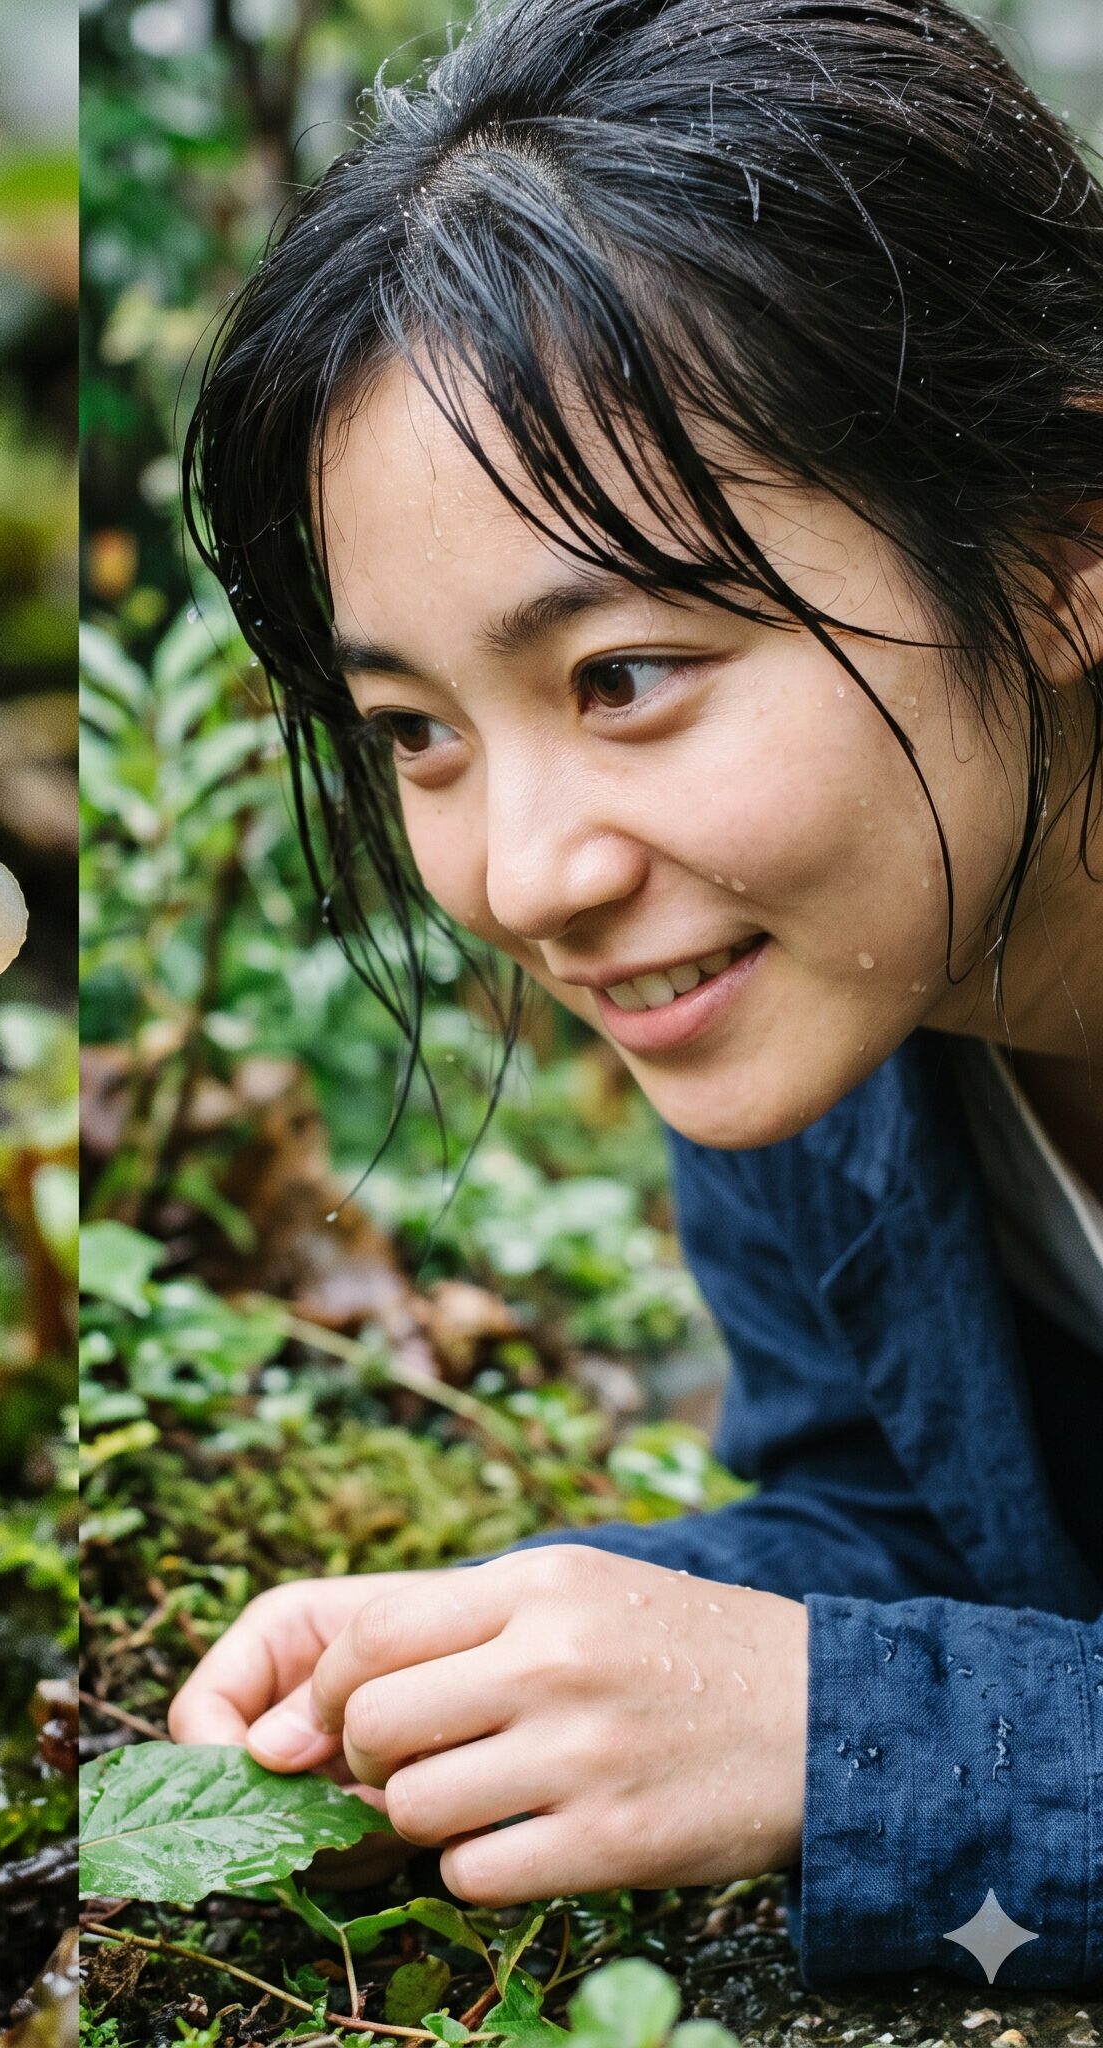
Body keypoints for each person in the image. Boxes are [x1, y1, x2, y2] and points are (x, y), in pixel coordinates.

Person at [164, 0, 1103, 1993]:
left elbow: (894, 1695)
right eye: (413, 730)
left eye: (620, 676)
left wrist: (858, 1738)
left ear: (1059, 540)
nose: (525, 874)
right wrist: (540, 1658)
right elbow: (911, 1517)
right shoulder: (833, 1012)